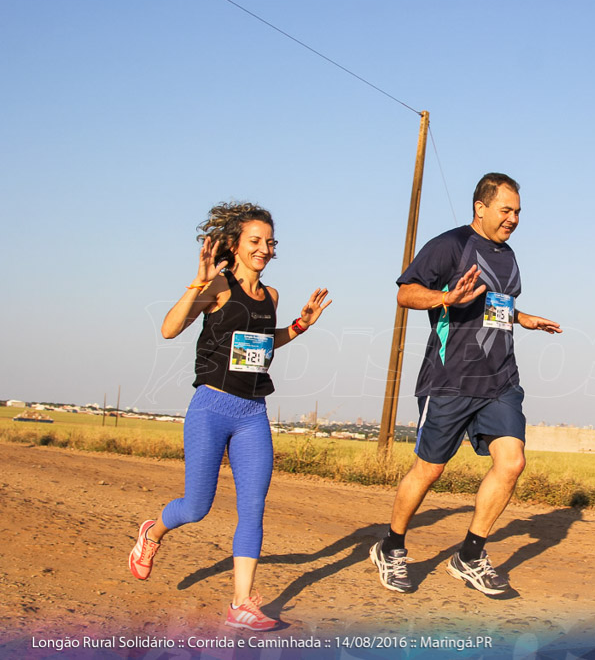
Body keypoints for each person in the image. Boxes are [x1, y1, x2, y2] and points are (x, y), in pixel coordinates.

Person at [128, 201, 331, 631]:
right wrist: (196, 285)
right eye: (255, 241)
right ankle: (152, 533)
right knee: (197, 506)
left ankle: (241, 603)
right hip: (211, 407)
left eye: (269, 242)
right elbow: (169, 329)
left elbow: (263, 343)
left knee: (253, 507)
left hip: (252, 412)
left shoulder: (271, 296)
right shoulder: (217, 286)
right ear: (236, 246)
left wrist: (299, 326)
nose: (264, 248)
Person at [370, 173, 561, 596]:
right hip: (450, 378)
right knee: (430, 469)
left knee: (511, 462)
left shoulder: (508, 256)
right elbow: (405, 292)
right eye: (505, 210)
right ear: (481, 207)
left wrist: (521, 317)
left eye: (517, 212)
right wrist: (444, 299)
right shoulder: (451, 245)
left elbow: (495, 305)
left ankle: (470, 555)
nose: (513, 218)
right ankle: (392, 545)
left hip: (500, 378)